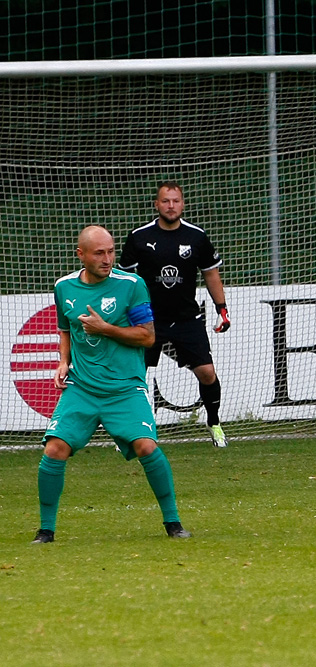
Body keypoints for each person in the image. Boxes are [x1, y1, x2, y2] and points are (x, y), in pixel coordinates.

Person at [33, 226, 190, 543]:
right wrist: (63, 361)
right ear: (81, 255)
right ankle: (45, 530)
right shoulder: (64, 287)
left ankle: (173, 523)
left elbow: (147, 337)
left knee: (146, 446)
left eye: (110, 251)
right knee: (54, 449)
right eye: (99, 253)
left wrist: (105, 328)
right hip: (82, 388)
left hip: (124, 387)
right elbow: (66, 328)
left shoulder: (131, 285)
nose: (107, 259)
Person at [119, 181, 231, 448]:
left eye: (176, 201)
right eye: (165, 201)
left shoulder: (197, 237)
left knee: (207, 373)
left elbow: (211, 274)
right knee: (133, 375)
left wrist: (222, 309)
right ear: (156, 205)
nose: (171, 206)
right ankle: (129, 429)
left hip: (186, 318)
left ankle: (214, 423)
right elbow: (123, 279)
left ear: (183, 204)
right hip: (148, 320)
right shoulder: (139, 236)